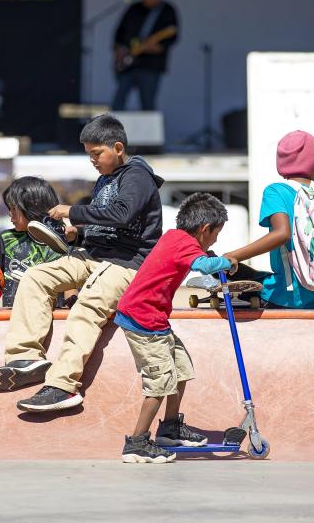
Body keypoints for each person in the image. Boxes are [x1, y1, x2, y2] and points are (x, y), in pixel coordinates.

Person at [0, 114, 164, 412]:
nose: (93, 160)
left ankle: (62, 385)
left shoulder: (137, 175)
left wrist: (73, 212)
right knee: (36, 277)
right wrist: (76, 234)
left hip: (128, 264)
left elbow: (122, 215)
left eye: (97, 154)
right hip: (94, 256)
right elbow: (104, 227)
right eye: (89, 155)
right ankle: (26, 356)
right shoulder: (105, 180)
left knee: (87, 305)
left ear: (118, 148)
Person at [117, 193, 235, 463]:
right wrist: (227, 261)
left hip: (154, 319)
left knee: (181, 369)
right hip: (142, 320)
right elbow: (202, 265)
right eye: (217, 234)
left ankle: (169, 428)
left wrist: (212, 257)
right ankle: (136, 443)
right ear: (205, 229)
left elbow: (196, 259)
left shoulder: (175, 237)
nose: (216, 240)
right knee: (159, 383)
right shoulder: (185, 244)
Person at [224, 131, 314, 309]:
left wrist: (234, 256)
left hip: (288, 295)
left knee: (232, 273)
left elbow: (282, 234)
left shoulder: (276, 191)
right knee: (257, 276)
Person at [0, 176, 69, 308]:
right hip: (12, 316)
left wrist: (71, 303)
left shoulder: (61, 242)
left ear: (33, 208)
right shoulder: (6, 239)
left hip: (52, 317)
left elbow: (71, 285)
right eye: (9, 208)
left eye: (14, 209)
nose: (10, 214)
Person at [111, 0, 179, 111]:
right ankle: (111, 131)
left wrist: (153, 47)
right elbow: (119, 34)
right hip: (128, 64)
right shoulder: (134, 9)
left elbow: (171, 38)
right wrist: (119, 51)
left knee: (147, 103)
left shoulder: (167, 10)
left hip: (151, 65)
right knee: (119, 100)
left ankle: (148, 131)